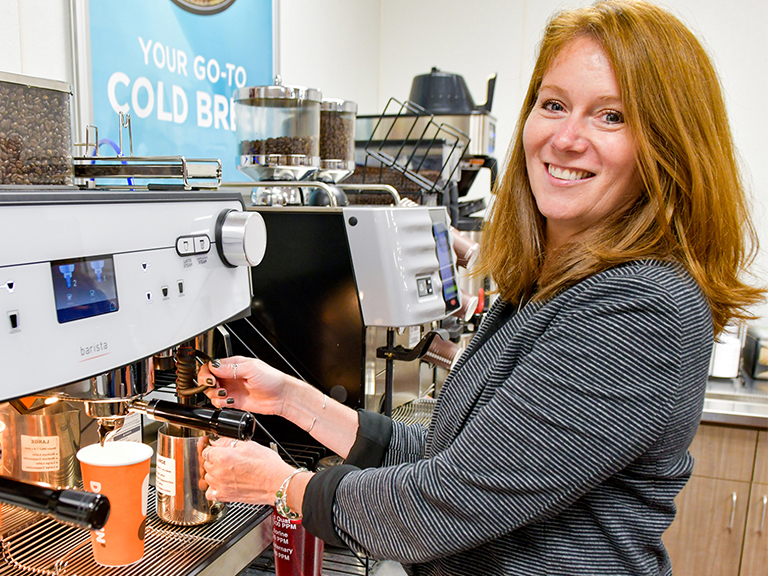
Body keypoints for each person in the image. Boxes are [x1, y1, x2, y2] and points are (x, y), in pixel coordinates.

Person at [197, 1, 764, 574]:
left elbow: (444, 504)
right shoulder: (550, 289)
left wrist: (282, 485)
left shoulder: (641, 307)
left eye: (611, 116)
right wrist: (291, 399)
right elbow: (453, 460)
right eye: (554, 104)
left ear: (668, 145)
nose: (566, 138)